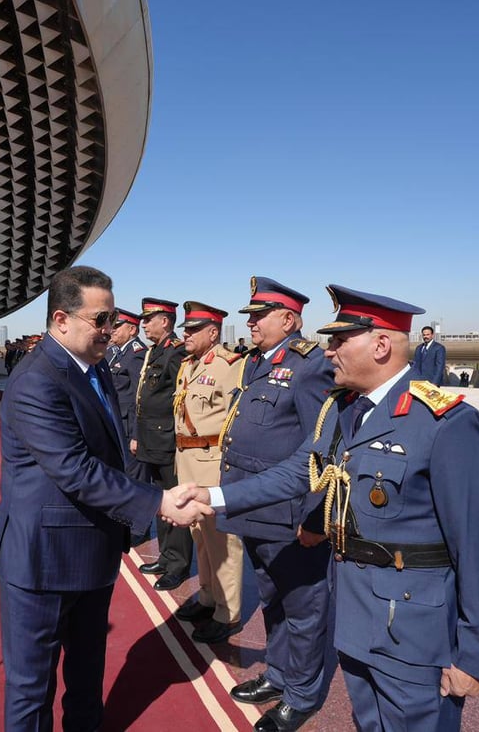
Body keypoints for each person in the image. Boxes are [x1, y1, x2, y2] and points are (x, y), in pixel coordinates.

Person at [178, 284, 479, 732]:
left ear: (381, 345)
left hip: (413, 632)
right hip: (355, 619)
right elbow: (299, 471)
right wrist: (214, 497)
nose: (328, 352)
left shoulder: (445, 423)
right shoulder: (344, 410)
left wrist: (478, 654)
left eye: (338, 341)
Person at [0, 265, 209, 732]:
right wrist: (158, 502)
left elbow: (111, 450)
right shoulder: (36, 379)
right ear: (61, 319)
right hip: (42, 561)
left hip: (94, 550)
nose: (110, 330)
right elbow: (74, 468)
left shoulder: (95, 367)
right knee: (32, 690)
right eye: (101, 320)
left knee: (87, 677)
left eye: (111, 320)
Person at [214, 276, 337, 732]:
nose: (251, 323)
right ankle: (280, 674)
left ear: (289, 319)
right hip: (256, 510)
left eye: (258, 316)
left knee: (304, 606)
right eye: (249, 315)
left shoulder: (309, 367)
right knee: (272, 598)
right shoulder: (256, 363)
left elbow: (323, 448)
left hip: (290, 514)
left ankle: (302, 694)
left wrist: (315, 516)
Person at [171, 301, 245, 644]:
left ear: (212, 332)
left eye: (192, 329)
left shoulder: (231, 365)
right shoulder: (188, 365)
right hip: (186, 461)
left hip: (211, 461)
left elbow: (236, 419)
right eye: (185, 329)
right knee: (200, 536)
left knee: (221, 541)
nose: (185, 334)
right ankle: (206, 597)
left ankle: (227, 614)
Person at [132, 297, 193, 591]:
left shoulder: (175, 353)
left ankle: (178, 565)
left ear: (165, 321)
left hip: (168, 441)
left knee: (176, 503)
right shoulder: (155, 352)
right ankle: (166, 557)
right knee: (160, 502)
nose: (143, 324)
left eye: (149, 319)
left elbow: (183, 400)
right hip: (152, 440)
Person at [106, 308, 150, 544]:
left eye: (117, 326)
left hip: (129, 428)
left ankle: (138, 529)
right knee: (123, 477)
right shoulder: (115, 354)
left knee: (137, 480)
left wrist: (136, 434)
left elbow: (137, 399)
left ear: (131, 329)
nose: (112, 330)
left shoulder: (135, 355)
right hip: (117, 425)